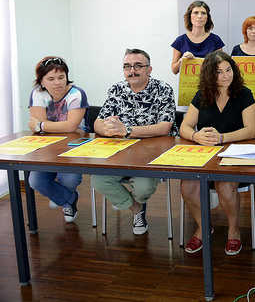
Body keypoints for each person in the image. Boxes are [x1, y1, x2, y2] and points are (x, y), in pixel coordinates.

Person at [180, 51, 255, 255]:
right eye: (219, 72)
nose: (225, 76)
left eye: (228, 70)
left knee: (224, 184)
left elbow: (252, 130)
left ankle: (233, 230)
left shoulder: (244, 93)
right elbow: (184, 127)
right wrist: (196, 136)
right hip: (206, 155)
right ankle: (203, 226)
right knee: (187, 185)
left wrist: (222, 138)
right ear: (209, 75)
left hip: (236, 154)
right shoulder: (202, 94)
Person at [91, 49, 176, 235]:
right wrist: (107, 129)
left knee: (144, 188)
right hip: (120, 154)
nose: (132, 71)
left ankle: (128, 199)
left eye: (138, 66)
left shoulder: (163, 89)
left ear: (149, 69)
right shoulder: (116, 89)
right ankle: (136, 209)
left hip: (150, 155)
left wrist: (127, 130)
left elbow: (164, 127)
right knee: (98, 180)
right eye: (127, 66)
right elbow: (98, 122)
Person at [27, 56, 88, 223]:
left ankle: (62, 197)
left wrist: (42, 125)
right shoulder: (38, 93)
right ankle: (69, 199)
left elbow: (71, 127)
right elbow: (39, 127)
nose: (57, 83)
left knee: (69, 179)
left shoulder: (76, 93)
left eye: (61, 77)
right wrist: (47, 126)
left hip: (73, 145)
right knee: (35, 181)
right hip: (47, 147)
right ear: (41, 81)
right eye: (51, 79)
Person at [171, 0, 224, 74]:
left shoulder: (215, 40)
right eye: (196, 13)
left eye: (203, 13)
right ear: (190, 16)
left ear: (207, 17)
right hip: (188, 81)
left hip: (210, 81)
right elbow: (174, 71)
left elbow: (222, 67)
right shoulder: (180, 40)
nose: (199, 16)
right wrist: (181, 60)